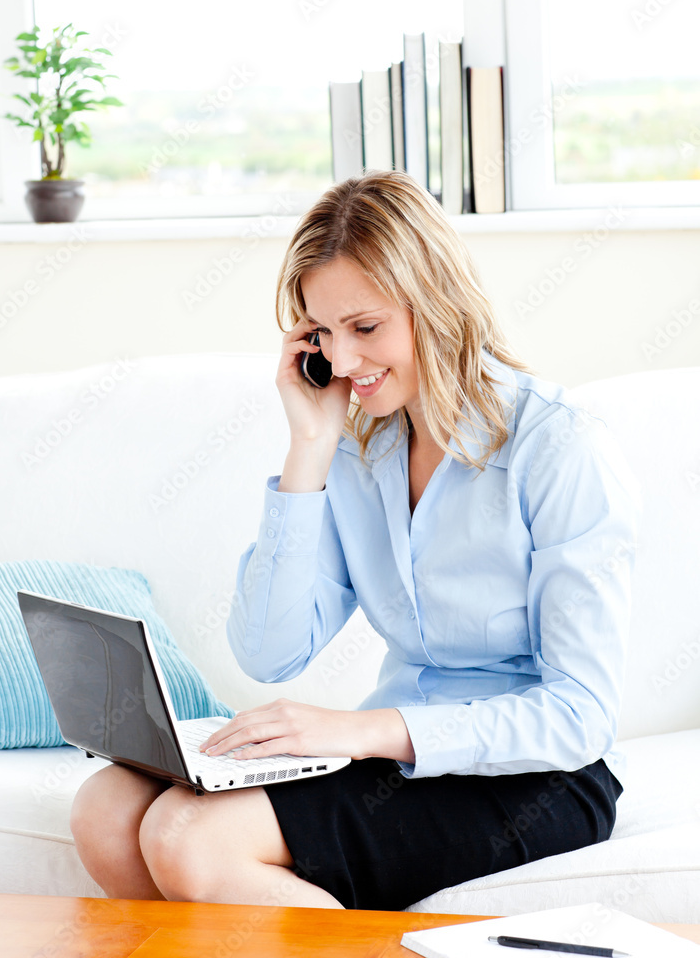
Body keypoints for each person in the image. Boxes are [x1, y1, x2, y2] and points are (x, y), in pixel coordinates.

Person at [71, 170, 641, 911]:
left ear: (437, 305)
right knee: (106, 811)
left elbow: (578, 714)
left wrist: (361, 729)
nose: (341, 363)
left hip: (537, 775)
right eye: (321, 333)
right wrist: (308, 448)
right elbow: (270, 652)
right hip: (388, 757)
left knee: (191, 839)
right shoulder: (357, 446)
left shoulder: (558, 447)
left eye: (365, 328)